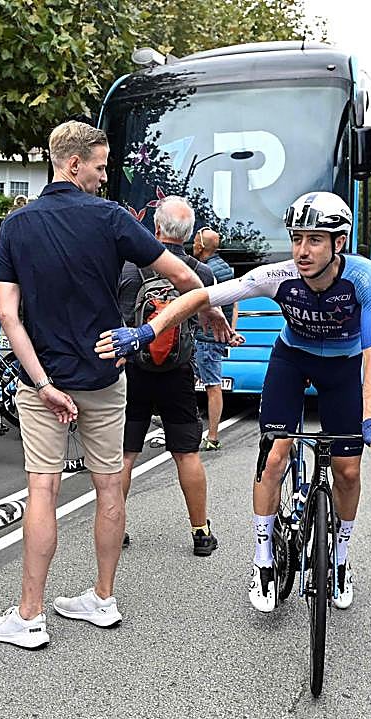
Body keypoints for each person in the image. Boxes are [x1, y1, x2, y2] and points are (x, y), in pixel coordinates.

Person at [0, 120, 230, 650]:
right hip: (106, 372)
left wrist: (43, 382)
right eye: (99, 165)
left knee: (42, 489)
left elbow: (7, 315)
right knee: (109, 485)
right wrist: (206, 314)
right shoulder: (112, 219)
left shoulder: (17, 228)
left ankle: (29, 616)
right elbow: (185, 277)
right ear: (73, 164)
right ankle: (102, 598)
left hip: (44, 381)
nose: (104, 174)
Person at [98, 191, 371, 614]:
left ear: (340, 241)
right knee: (274, 458)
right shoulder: (279, 274)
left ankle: (341, 560)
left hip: (344, 368)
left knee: (347, 470)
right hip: (292, 359)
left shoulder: (365, 280)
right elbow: (201, 296)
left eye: (314, 240)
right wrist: (147, 332)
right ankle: (263, 560)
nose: (302, 251)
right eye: (296, 238)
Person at [117, 196, 221, 557]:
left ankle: (117, 528)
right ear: (189, 233)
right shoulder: (201, 273)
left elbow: (119, 315)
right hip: (178, 372)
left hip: (133, 369)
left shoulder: (129, 267)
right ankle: (201, 532)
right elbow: (204, 319)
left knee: (126, 453)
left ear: (156, 227)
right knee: (186, 453)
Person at [191, 225, 237, 449]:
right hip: (216, 338)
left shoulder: (206, 272)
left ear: (201, 246)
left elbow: (204, 305)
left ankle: (212, 436)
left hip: (206, 338)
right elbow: (235, 302)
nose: (193, 245)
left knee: (212, 386)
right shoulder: (226, 268)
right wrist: (232, 331)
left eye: (195, 242)